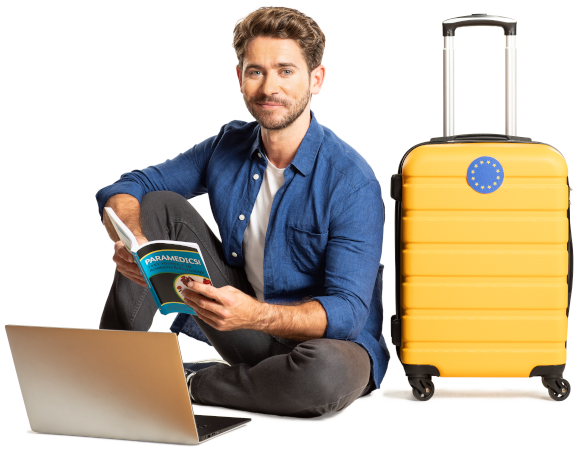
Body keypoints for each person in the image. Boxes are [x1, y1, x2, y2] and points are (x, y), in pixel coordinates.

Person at [95, 6, 388, 416]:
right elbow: (128, 187)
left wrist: (257, 314)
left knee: (323, 378)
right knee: (157, 205)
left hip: (325, 347)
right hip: (240, 326)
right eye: (256, 71)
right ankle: (109, 369)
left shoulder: (351, 181)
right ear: (239, 78)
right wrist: (134, 241)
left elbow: (348, 312)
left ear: (316, 79)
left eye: (286, 71)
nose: (270, 87)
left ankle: (186, 382)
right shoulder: (227, 145)